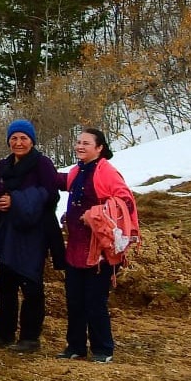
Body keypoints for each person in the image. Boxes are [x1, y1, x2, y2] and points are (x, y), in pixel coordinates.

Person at [59, 128, 140, 363]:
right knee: (74, 299)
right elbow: (61, 182)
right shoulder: (78, 171)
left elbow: (125, 201)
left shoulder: (108, 173)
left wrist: (95, 215)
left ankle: (103, 349)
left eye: (85, 143)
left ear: (99, 148)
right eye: (78, 142)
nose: (79, 146)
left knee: (95, 301)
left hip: (99, 250)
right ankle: (75, 346)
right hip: (75, 247)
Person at [0, 119, 64, 353]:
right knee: (5, 285)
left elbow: (51, 196)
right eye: (14, 138)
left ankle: (30, 337)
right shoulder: (2, 165)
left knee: (31, 286)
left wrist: (17, 201)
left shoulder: (42, 164)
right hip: (6, 233)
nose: (18, 142)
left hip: (34, 234)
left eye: (23, 138)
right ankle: (4, 334)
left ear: (32, 140)